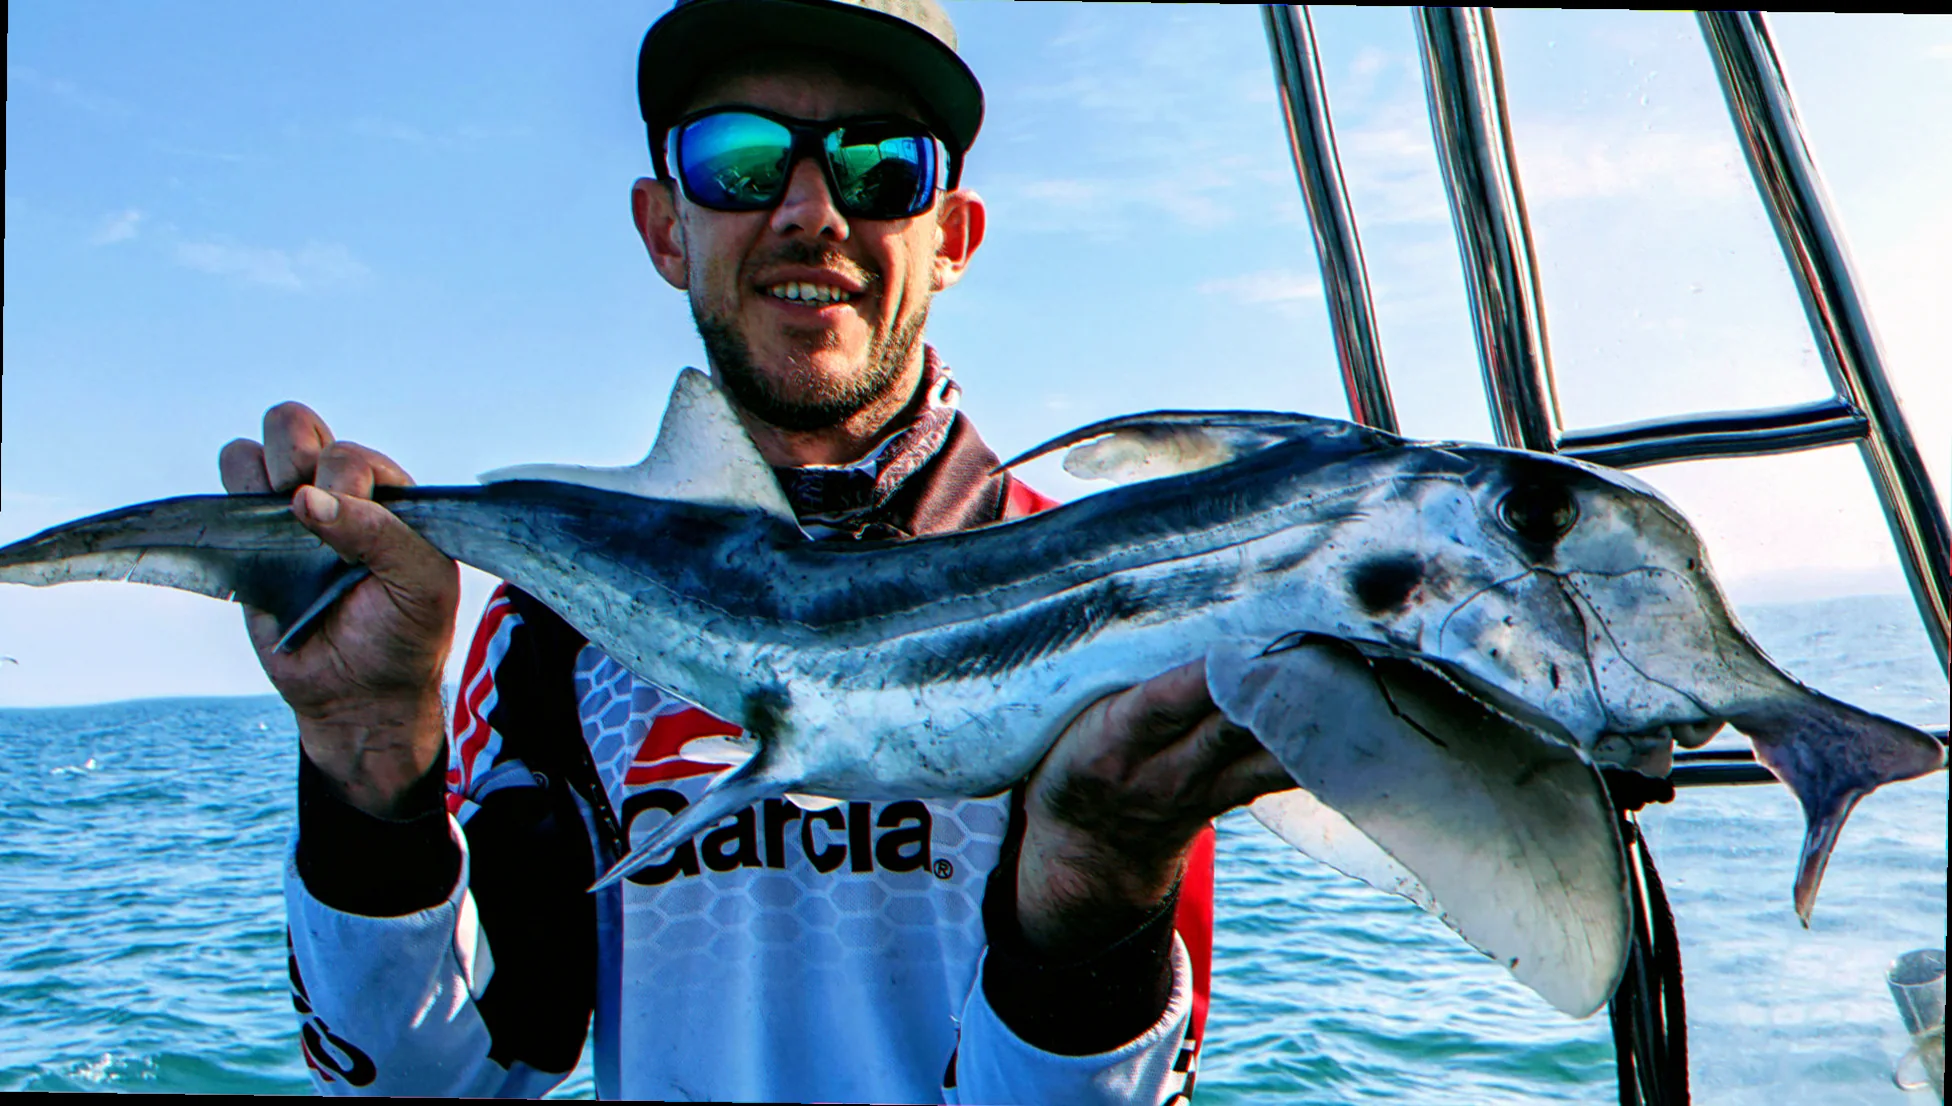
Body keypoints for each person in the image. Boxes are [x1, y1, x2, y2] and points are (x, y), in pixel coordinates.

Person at [222, 0, 1293, 1100]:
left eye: (879, 164)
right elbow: (434, 1083)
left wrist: (1095, 884)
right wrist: (369, 763)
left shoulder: (1113, 616)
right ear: (662, 227)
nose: (810, 211)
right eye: (738, 156)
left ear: (951, 238)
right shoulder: (548, 622)